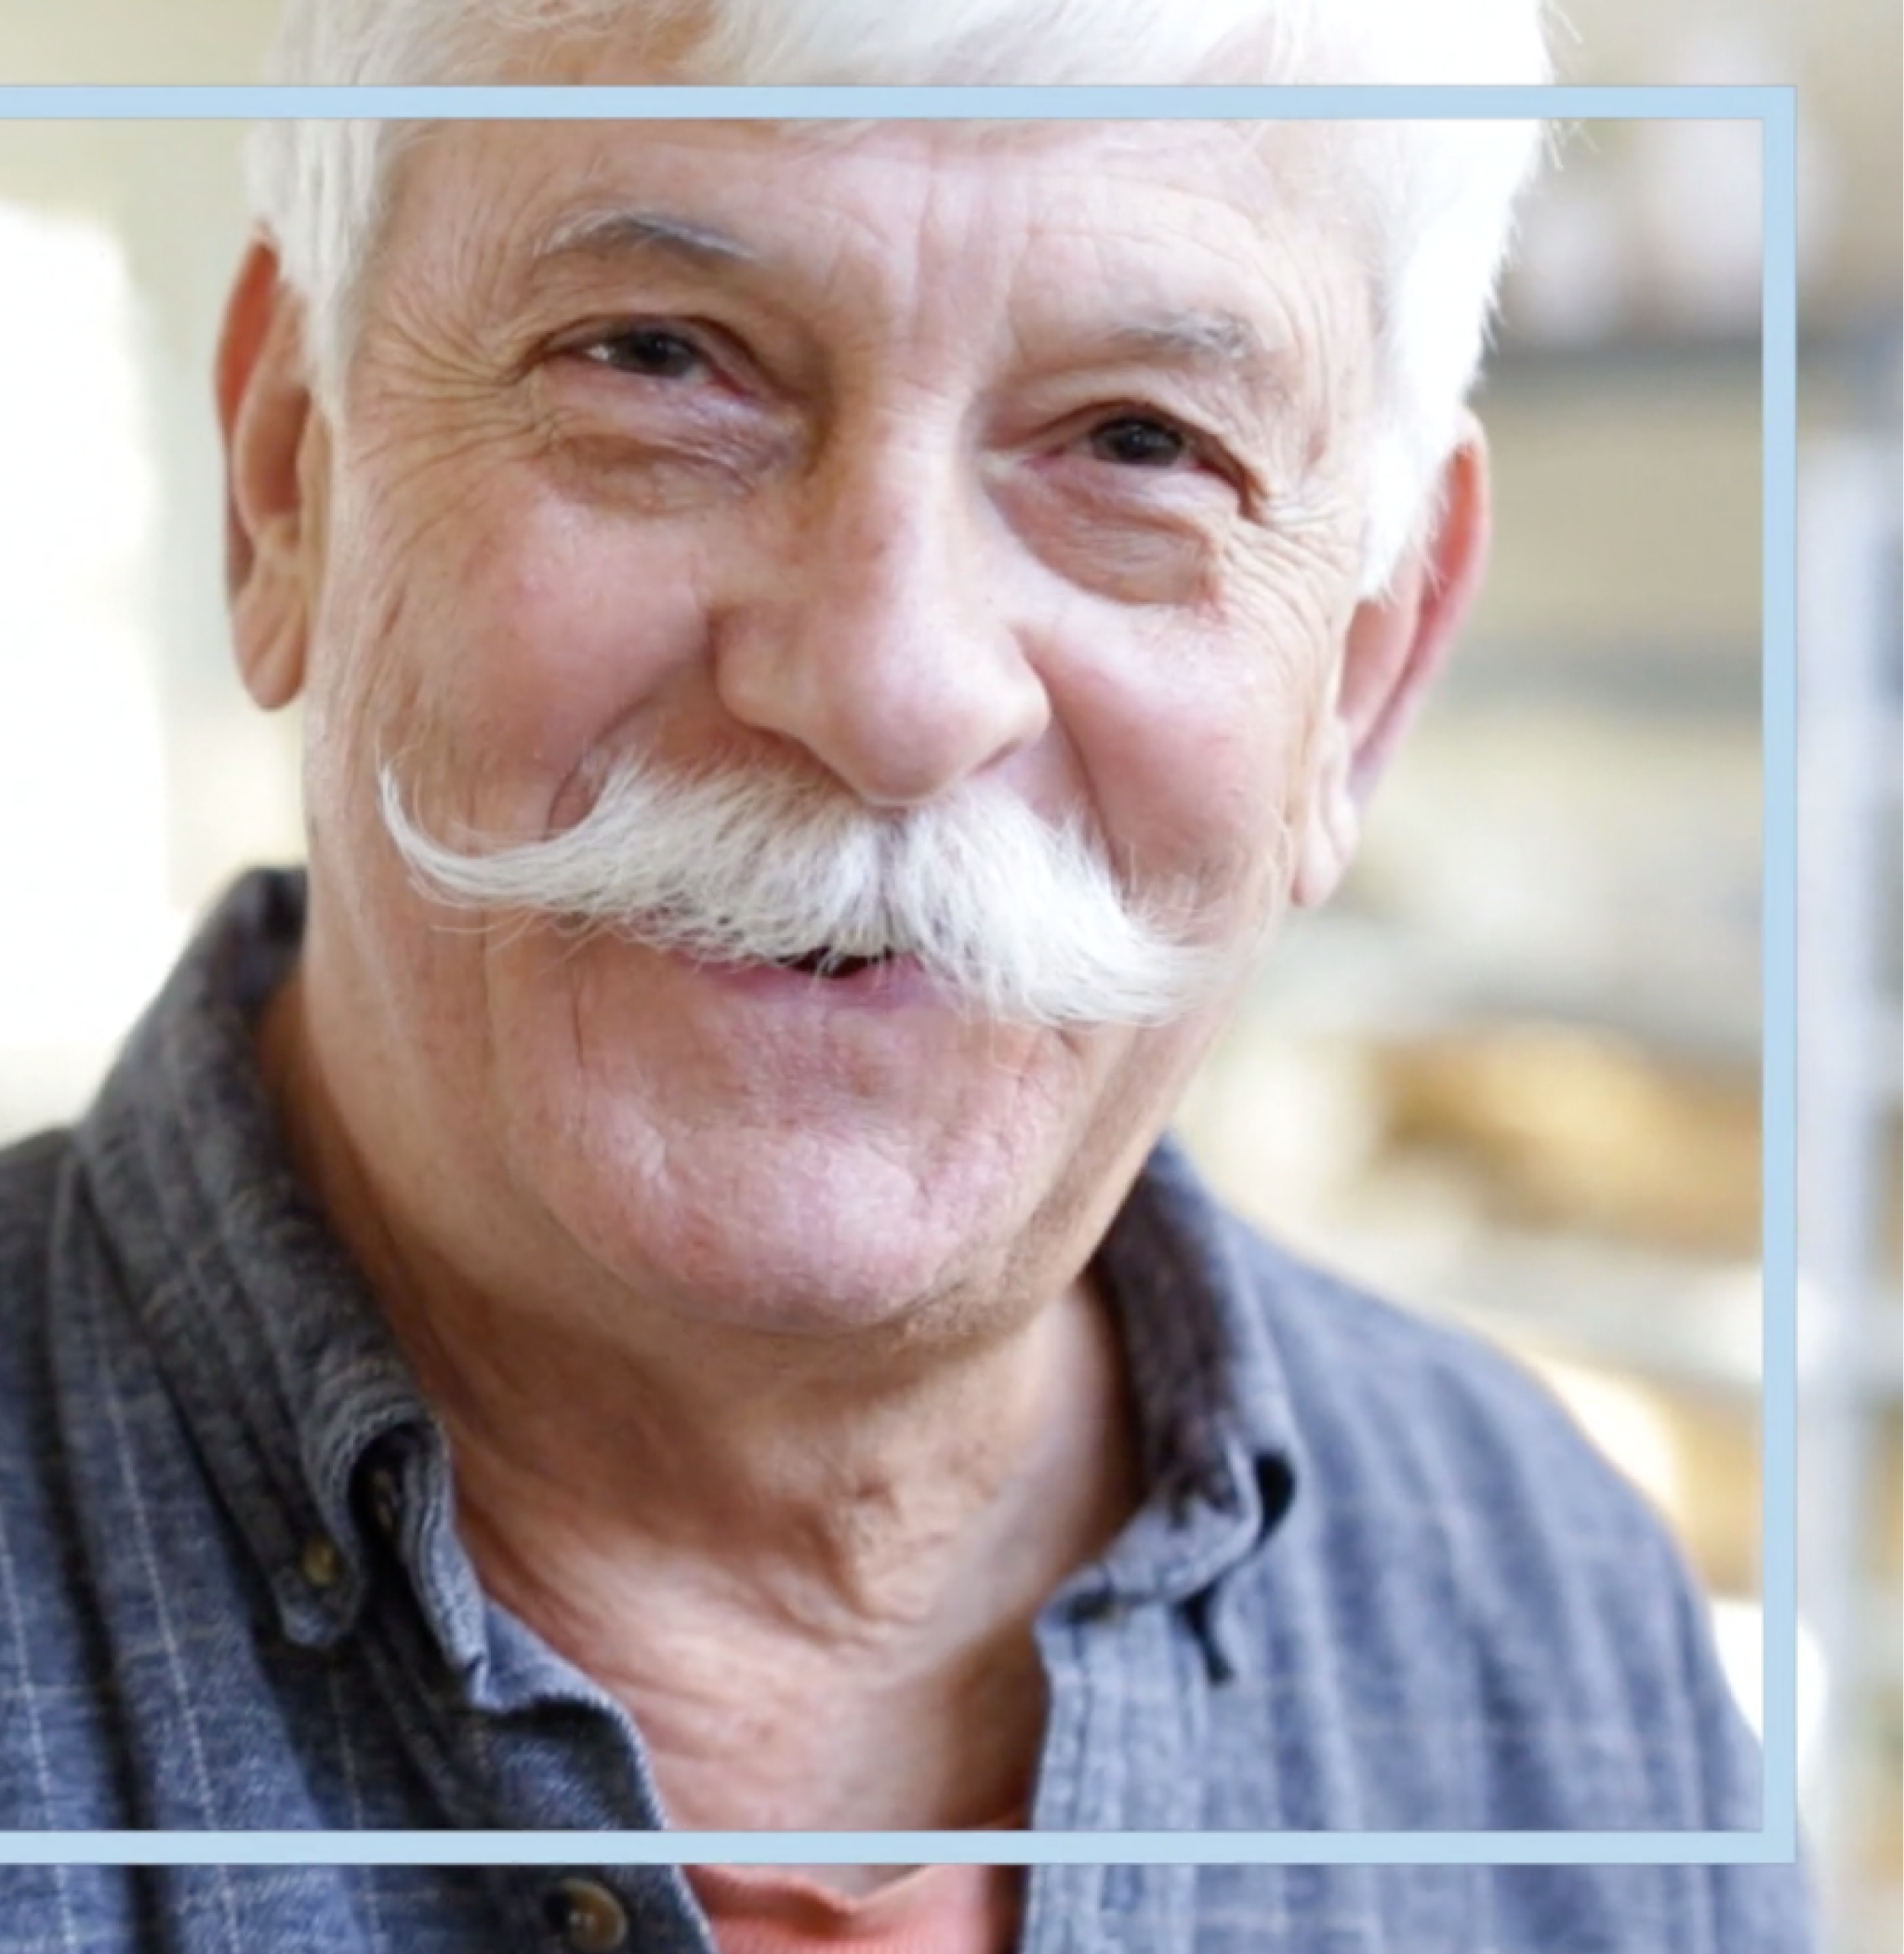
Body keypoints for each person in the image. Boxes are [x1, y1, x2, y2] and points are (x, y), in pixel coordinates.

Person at [0, 1, 1810, 1949]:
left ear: (1360, 683)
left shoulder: (1558, 1640)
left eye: (1138, 443)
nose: (885, 684)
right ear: (289, 480)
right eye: (659, 357)